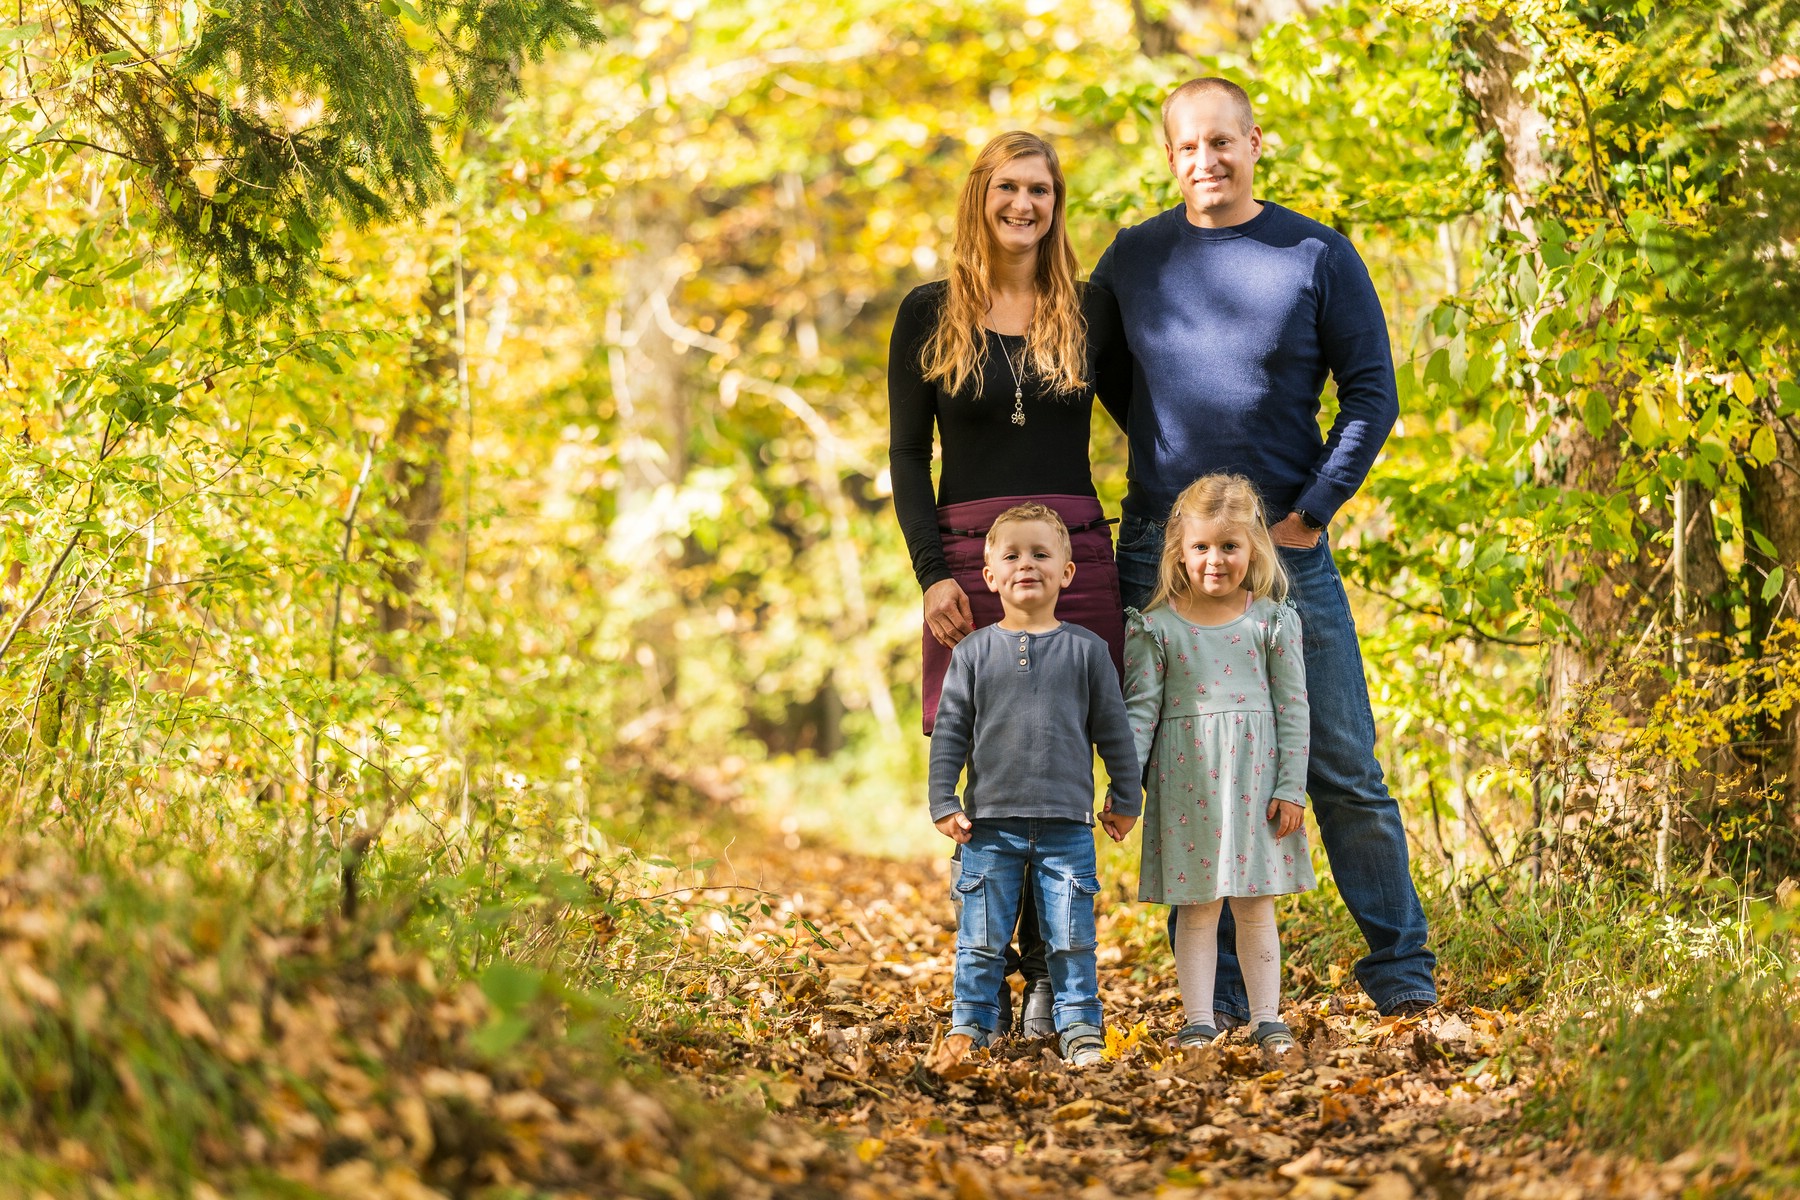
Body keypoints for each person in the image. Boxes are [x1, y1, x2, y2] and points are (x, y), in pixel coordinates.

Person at [1090, 77, 1438, 1019]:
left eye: (1222, 142)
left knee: (1340, 765)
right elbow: (1108, 382)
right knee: (1185, 772)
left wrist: (1310, 513)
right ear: (1170, 158)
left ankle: (1402, 975)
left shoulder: (1314, 253)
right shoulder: (1135, 259)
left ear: (1254, 141)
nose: (1206, 160)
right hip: (1162, 556)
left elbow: (1372, 396)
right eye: (1187, 148)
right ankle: (1225, 1000)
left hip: (1286, 554)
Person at [888, 131, 1129, 1037]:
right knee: (995, 769)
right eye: (1008, 188)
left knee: (1063, 760)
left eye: (1041, 189)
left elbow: (1154, 420)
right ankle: (995, 978)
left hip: (1075, 554)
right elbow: (910, 455)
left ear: (1057, 203)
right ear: (980, 197)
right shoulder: (927, 312)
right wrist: (931, 574)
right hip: (971, 558)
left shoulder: (1090, 310)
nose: (1024, 204)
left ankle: (1047, 986)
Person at [928, 503, 1140, 1067]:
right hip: (988, 827)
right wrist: (943, 801)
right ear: (990, 575)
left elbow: (1114, 732)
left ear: (1066, 573)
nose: (1028, 564)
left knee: (1071, 937)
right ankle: (971, 1024)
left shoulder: (1087, 650)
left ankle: (1079, 1027)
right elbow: (950, 732)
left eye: (1042, 554)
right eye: (1013, 555)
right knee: (980, 937)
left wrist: (1126, 797)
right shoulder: (972, 653)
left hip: (1066, 825)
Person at [1124, 475, 1313, 1052]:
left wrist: (1292, 787)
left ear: (1253, 548)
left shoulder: (1272, 621)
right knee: (1198, 909)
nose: (1215, 560)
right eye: (1201, 546)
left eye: (1229, 546)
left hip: (1256, 785)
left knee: (1255, 907)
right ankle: (1199, 1019)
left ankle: (1266, 1017)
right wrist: (1124, 790)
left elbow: (1293, 708)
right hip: (1187, 787)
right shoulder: (1157, 628)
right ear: (1179, 550)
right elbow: (1139, 716)